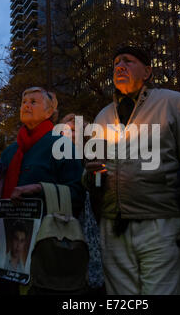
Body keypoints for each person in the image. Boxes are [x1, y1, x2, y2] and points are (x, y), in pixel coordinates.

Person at [83, 46, 180, 295]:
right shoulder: (102, 116)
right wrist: (91, 177)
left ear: (147, 72)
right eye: (115, 63)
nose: (119, 66)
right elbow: (89, 175)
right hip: (113, 227)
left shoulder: (173, 103)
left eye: (128, 61)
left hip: (161, 224)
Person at [0, 87, 85, 295]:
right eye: (24, 102)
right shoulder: (11, 151)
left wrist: (40, 189)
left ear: (49, 112)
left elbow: (77, 193)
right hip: (7, 247)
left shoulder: (61, 145)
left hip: (46, 247)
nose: (26, 105)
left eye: (33, 101)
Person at [60, 113, 105, 294]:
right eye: (65, 130)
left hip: (90, 219)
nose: (69, 134)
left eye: (74, 131)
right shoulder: (57, 156)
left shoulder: (91, 156)